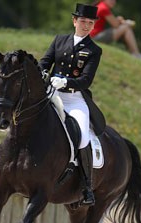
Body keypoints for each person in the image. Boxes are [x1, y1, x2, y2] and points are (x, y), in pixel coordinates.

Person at [39, 3, 105, 207]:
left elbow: (86, 80)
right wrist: (44, 75)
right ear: (74, 21)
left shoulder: (94, 50)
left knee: (83, 136)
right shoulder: (60, 40)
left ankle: (86, 186)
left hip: (75, 99)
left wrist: (66, 82)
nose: (86, 26)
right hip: (52, 94)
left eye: (90, 23)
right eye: (83, 21)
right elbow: (44, 62)